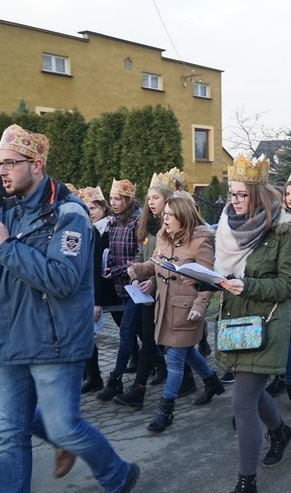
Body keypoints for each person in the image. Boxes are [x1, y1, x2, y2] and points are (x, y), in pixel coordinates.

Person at [0, 124, 139, 491]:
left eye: (10, 163)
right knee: (8, 434)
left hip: (53, 341)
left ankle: (117, 474)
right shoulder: (4, 209)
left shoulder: (70, 214)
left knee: (63, 428)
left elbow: (64, 280)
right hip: (6, 339)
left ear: (36, 165)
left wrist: (4, 246)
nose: (0, 171)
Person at [214, 155, 291, 493]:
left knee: (242, 402)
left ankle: (246, 481)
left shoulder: (285, 230)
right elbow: (224, 272)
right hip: (234, 321)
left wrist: (249, 285)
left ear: (257, 195)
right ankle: (280, 430)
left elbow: (290, 284)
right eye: (230, 194)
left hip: (266, 325)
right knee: (249, 393)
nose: (232, 201)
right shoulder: (226, 226)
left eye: (240, 195)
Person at [126, 195, 224, 432]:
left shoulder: (200, 243)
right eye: (165, 214)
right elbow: (155, 264)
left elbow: (209, 280)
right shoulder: (162, 237)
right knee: (187, 351)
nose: (164, 218)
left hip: (186, 310)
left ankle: (165, 410)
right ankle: (211, 382)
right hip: (164, 308)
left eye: (170, 214)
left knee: (175, 360)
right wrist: (139, 269)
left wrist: (200, 307)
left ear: (183, 216)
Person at [114, 170, 181, 410]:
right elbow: (144, 257)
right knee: (151, 339)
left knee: (175, 343)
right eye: (149, 198)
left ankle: (201, 379)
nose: (151, 203)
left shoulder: (174, 225)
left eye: (156, 198)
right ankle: (139, 389)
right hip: (147, 294)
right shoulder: (146, 225)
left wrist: (153, 279)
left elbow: (176, 262)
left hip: (169, 293)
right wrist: (136, 274)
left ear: (168, 200)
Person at [265, 171, 291, 414]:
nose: (290, 198)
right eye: (287, 194)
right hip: (278, 286)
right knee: (283, 340)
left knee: (290, 340)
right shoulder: (277, 218)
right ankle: (282, 380)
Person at [96, 178, 143, 402]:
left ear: (128, 199)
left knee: (126, 332)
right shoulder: (112, 223)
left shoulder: (137, 223)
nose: (113, 203)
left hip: (137, 285)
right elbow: (111, 251)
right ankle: (169, 368)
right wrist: (109, 268)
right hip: (118, 285)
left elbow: (139, 258)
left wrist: (115, 270)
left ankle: (115, 379)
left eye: (117, 199)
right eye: (111, 199)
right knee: (143, 334)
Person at [78, 185, 123, 394]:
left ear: (103, 208)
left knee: (127, 327)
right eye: (86, 208)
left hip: (111, 285)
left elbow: (96, 264)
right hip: (97, 287)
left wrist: (96, 301)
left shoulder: (104, 229)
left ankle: (147, 362)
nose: (90, 212)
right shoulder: (86, 228)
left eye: (93, 208)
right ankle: (91, 375)